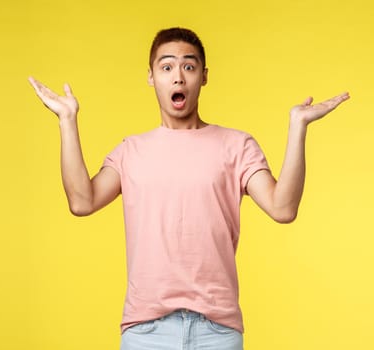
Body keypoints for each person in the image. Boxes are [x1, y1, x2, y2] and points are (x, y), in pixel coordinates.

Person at [28, 27, 350, 350]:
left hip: (218, 332)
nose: (178, 77)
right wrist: (66, 121)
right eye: (166, 67)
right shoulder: (130, 151)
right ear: (151, 77)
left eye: (189, 66)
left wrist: (298, 128)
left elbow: (283, 208)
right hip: (145, 333)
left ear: (204, 76)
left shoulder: (236, 145)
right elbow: (82, 201)